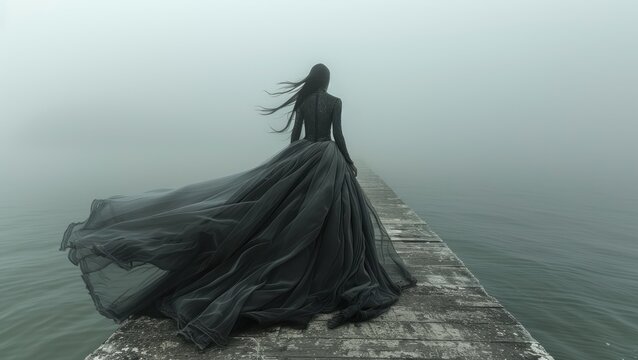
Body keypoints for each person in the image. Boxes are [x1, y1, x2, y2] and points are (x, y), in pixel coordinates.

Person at [59, 63, 418, 350]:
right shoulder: (336, 101)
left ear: (312, 80)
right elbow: (337, 137)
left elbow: (296, 138)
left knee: (291, 211)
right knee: (330, 213)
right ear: (328, 80)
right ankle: (328, 260)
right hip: (328, 158)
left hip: (305, 155)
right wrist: (348, 162)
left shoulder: (304, 102)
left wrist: (287, 162)